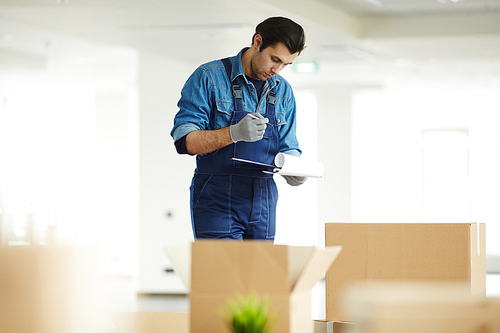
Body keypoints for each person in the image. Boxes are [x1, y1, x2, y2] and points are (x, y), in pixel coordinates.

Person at [171, 16, 307, 240]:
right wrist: (233, 133)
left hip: (263, 200)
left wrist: (294, 169)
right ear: (258, 41)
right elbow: (184, 141)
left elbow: (288, 145)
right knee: (223, 274)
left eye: (285, 64)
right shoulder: (209, 77)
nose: (278, 69)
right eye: (275, 59)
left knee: (259, 275)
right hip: (217, 200)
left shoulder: (283, 91)